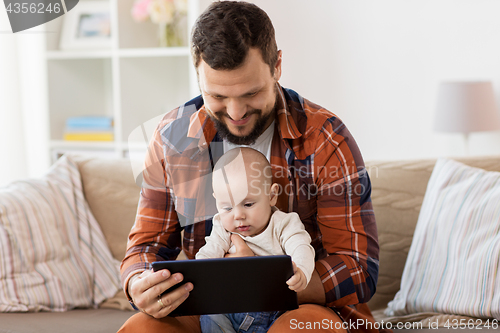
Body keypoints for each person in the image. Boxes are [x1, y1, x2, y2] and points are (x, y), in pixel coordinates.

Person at [119, 1, 387, 333]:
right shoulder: (173, 136)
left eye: (251, 93)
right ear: (199, 75)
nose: (235, 112)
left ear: (276, 66)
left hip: (301, 307)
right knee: (141, 329)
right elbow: (145, 248)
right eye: (217, 96)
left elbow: (359, 269)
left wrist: (262, 280)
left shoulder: (325, 139)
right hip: (208, 309)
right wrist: (139, 285)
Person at [196, 147, 316, 333]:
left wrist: (301, 271)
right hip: (231, 309)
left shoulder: (284, 224)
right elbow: (207, 256)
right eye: (227, 207)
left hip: (274, 311)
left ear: (271, 195)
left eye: (248, 204)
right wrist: (200, 274)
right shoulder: (222, 227)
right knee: (210, 314)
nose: (238, 215)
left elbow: (301, 247)